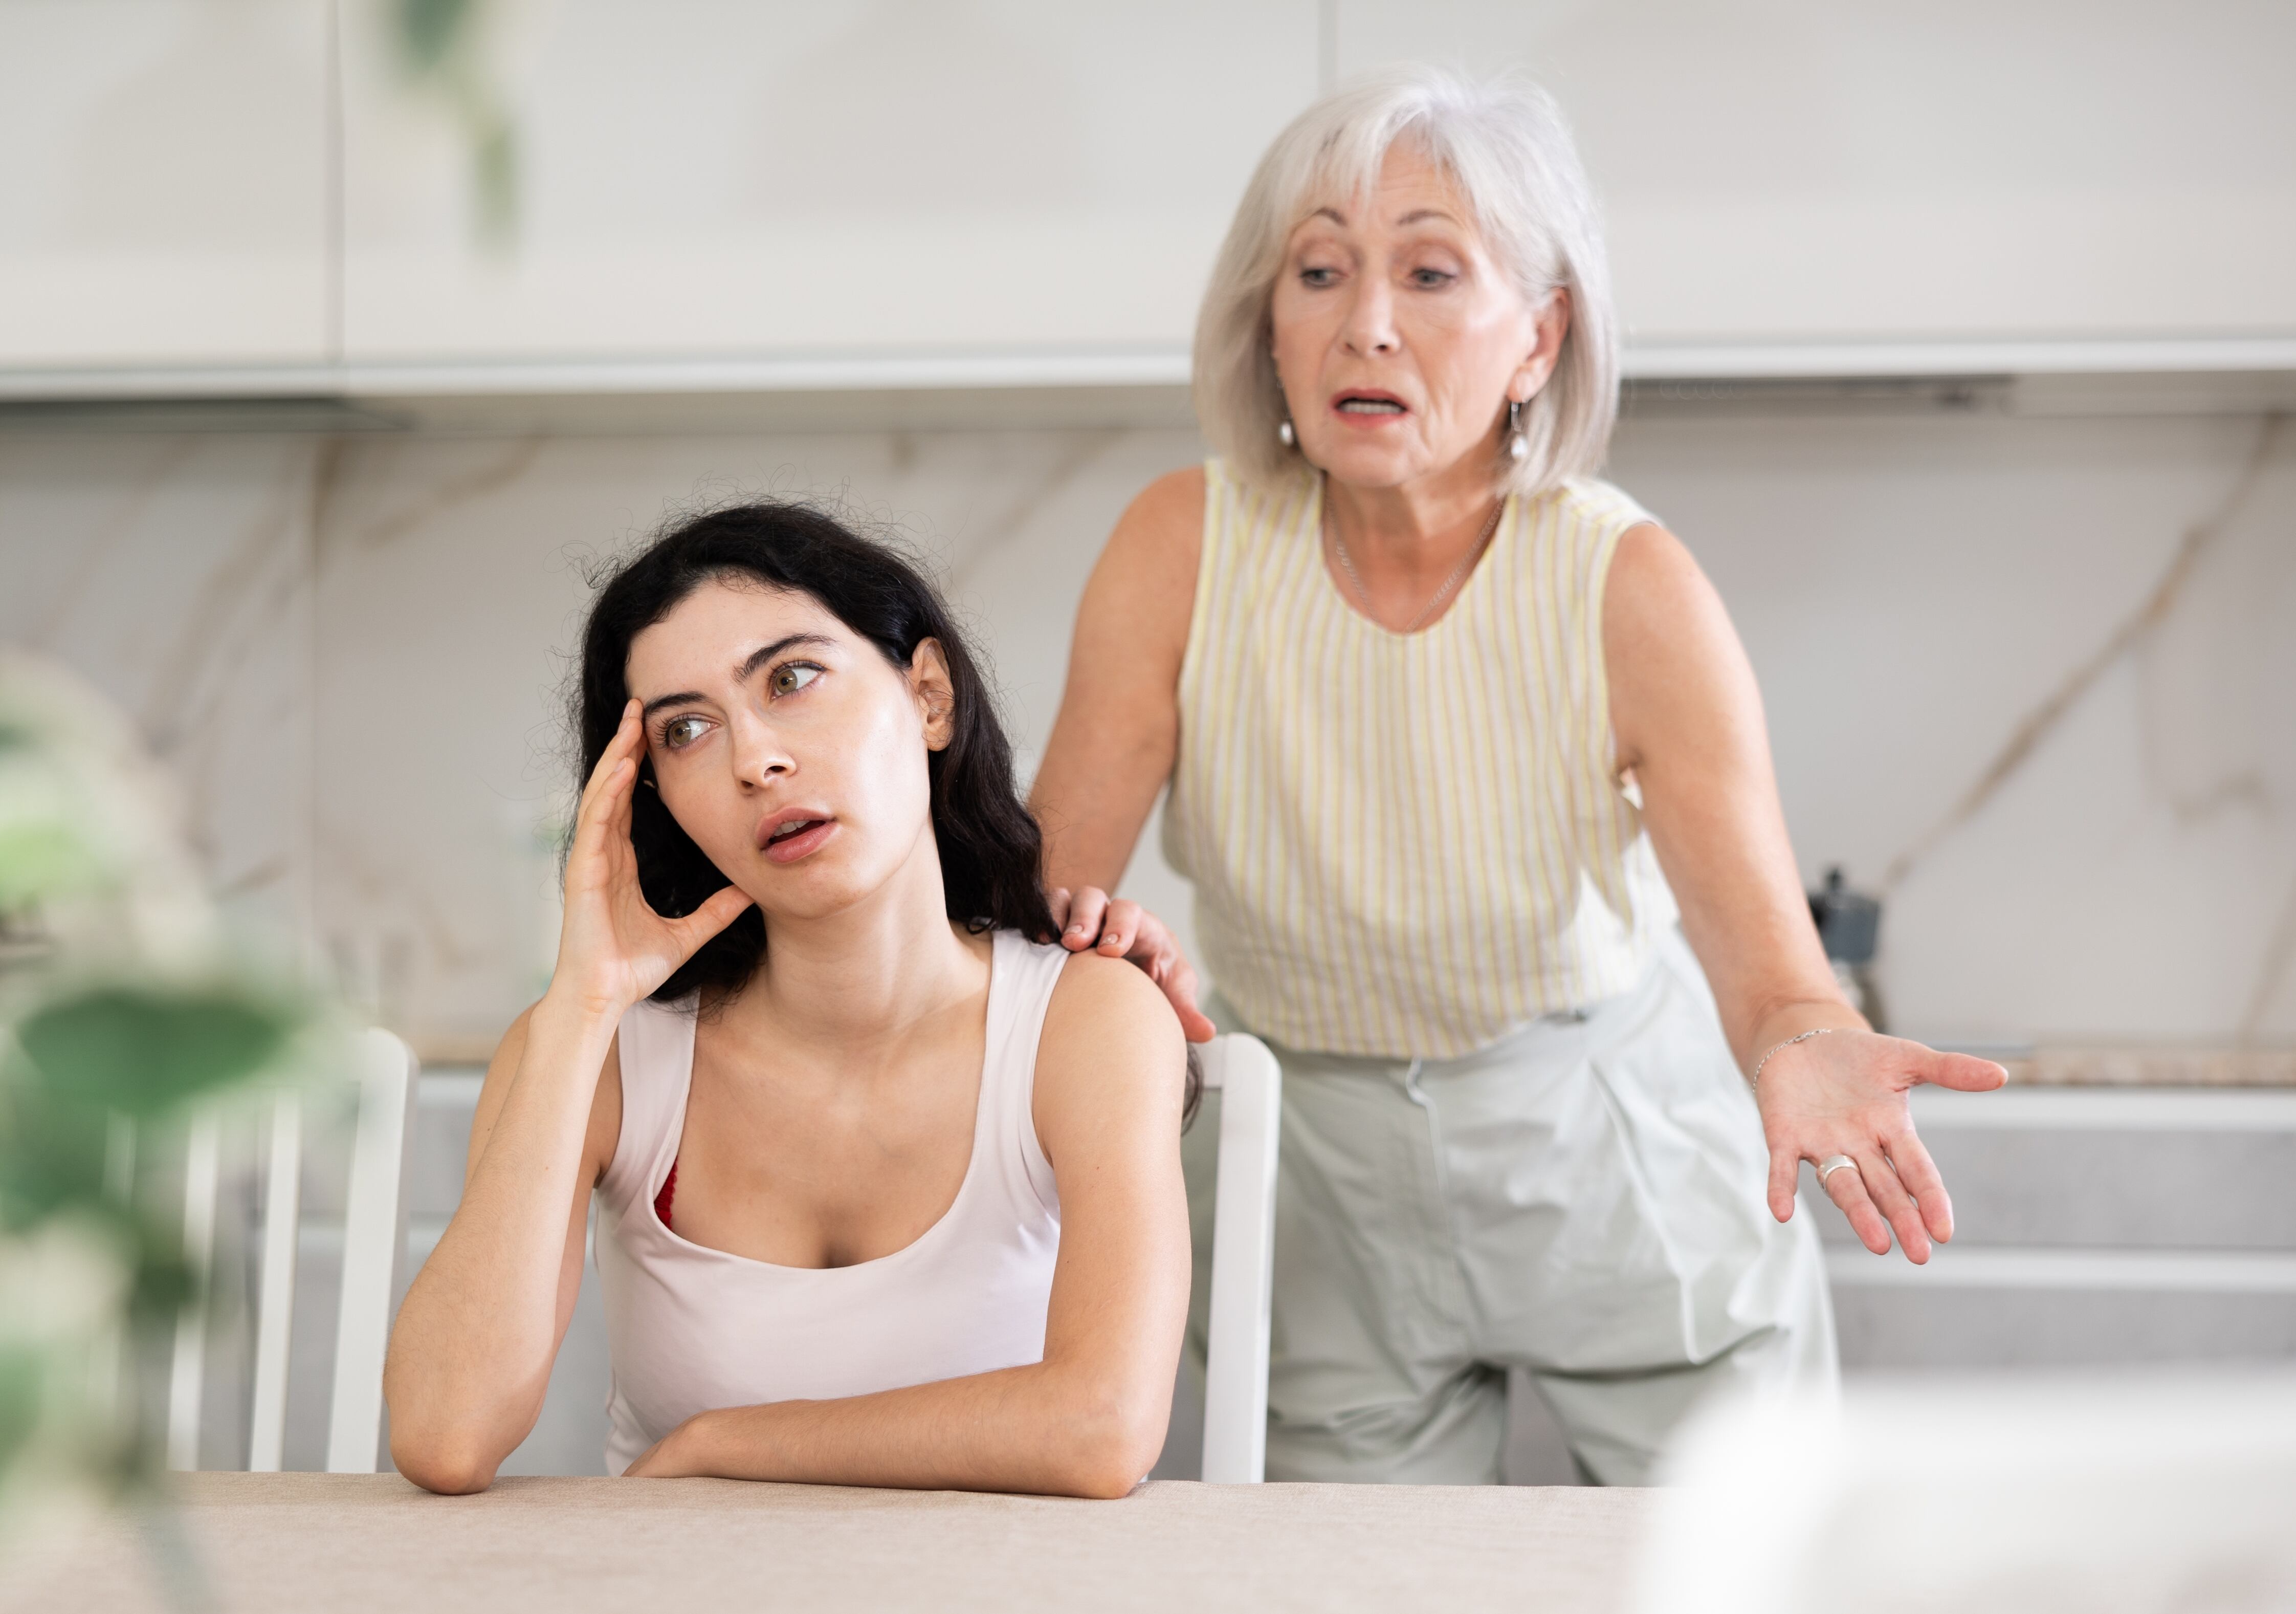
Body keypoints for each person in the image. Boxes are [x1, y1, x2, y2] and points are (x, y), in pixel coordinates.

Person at [1027, 67, 2007, 1486]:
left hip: (1616, 1158)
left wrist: (1807, 1042)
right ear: (1267, 318)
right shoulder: (1181, 548)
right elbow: (1044, 909)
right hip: (1322, 1188)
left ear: (1540, 336)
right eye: (1319, 270)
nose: (1366, 321)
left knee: (1738, 1568)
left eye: (1432, 272)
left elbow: (1773, 974)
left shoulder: (1627, 583)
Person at [385, 503, 1190, 1498]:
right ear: (655, 797)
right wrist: (582, 1004)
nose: (754, 758)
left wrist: (728, 1442)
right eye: (686, 729)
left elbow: (1102, 1426)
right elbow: (443, 1433)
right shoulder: (606, 1053)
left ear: (928, 694)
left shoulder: (1086, 1020)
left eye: (792, 678)